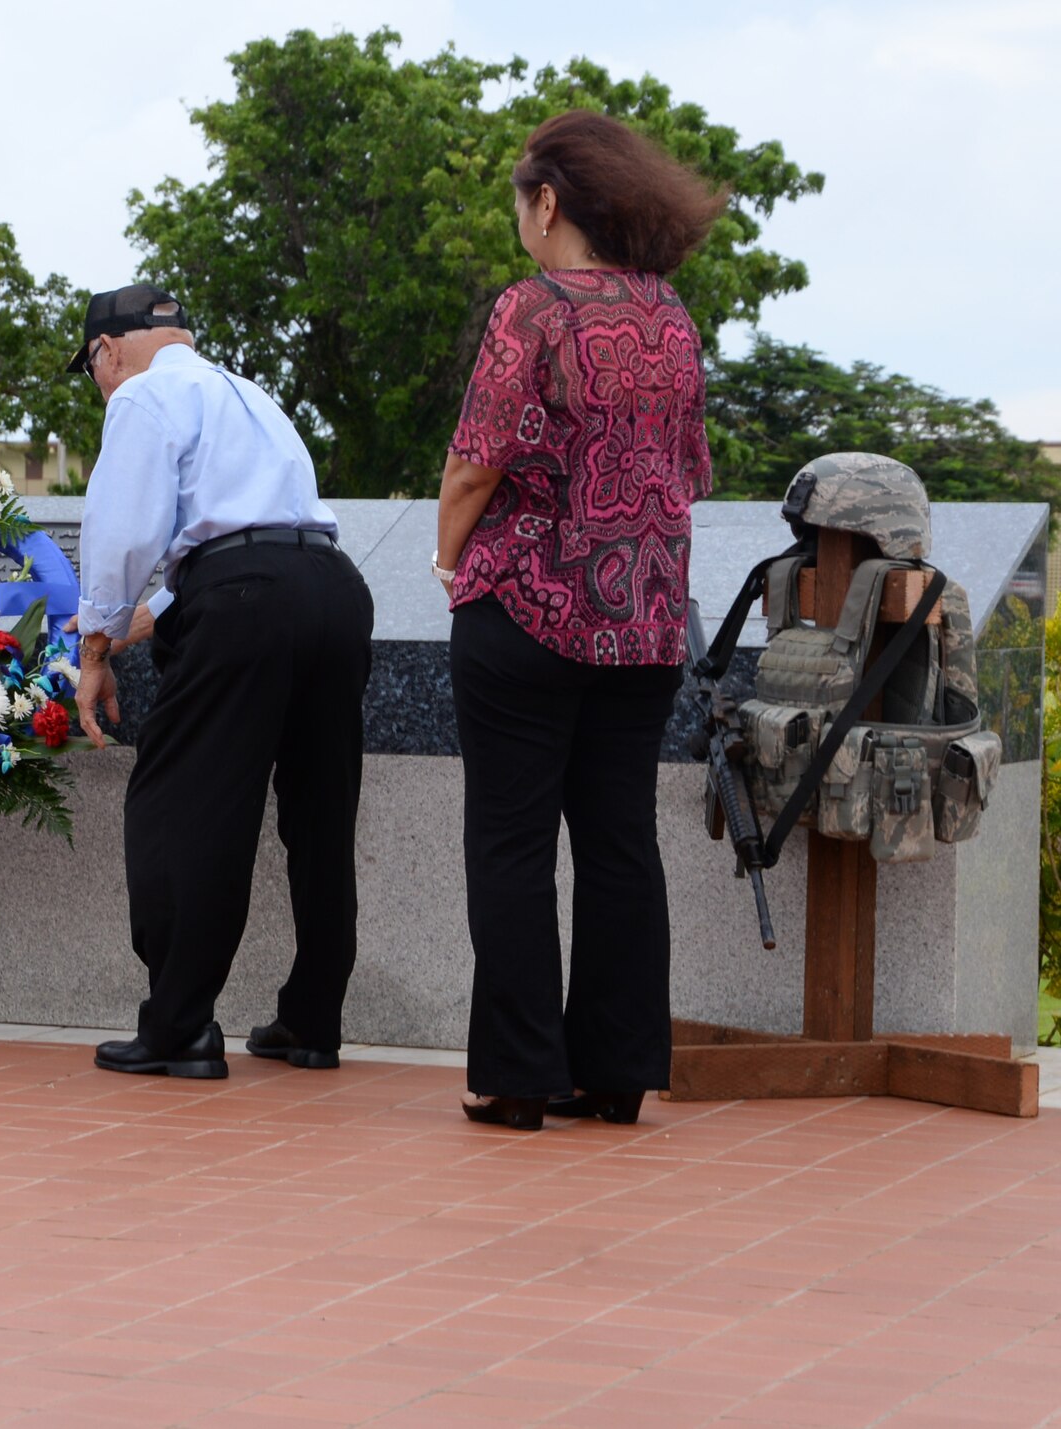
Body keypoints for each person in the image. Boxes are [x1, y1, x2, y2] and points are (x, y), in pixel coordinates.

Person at [436, 111, 724, 1130]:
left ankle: (513, 1074)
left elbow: (477, 457)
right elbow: (686, 470)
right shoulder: (670, 316)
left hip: (527, 609)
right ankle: (613, 1070)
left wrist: (443, 558)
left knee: (510, 843)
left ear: (545, 202)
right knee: (616, 844)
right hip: (644, 621)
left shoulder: (535, 308)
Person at [69, 284, 374, 1079]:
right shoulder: (250, 395)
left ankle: (180, 1026)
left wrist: (94, 648)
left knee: (180, 807)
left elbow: (125, 532)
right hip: (333, 590)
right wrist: (154, 616)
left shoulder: (143, 395)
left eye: (93, 369)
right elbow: (242, 538)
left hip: (245, 601)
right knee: (320, 812)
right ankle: (313, 1023)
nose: (101, 383)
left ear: (109, 351)